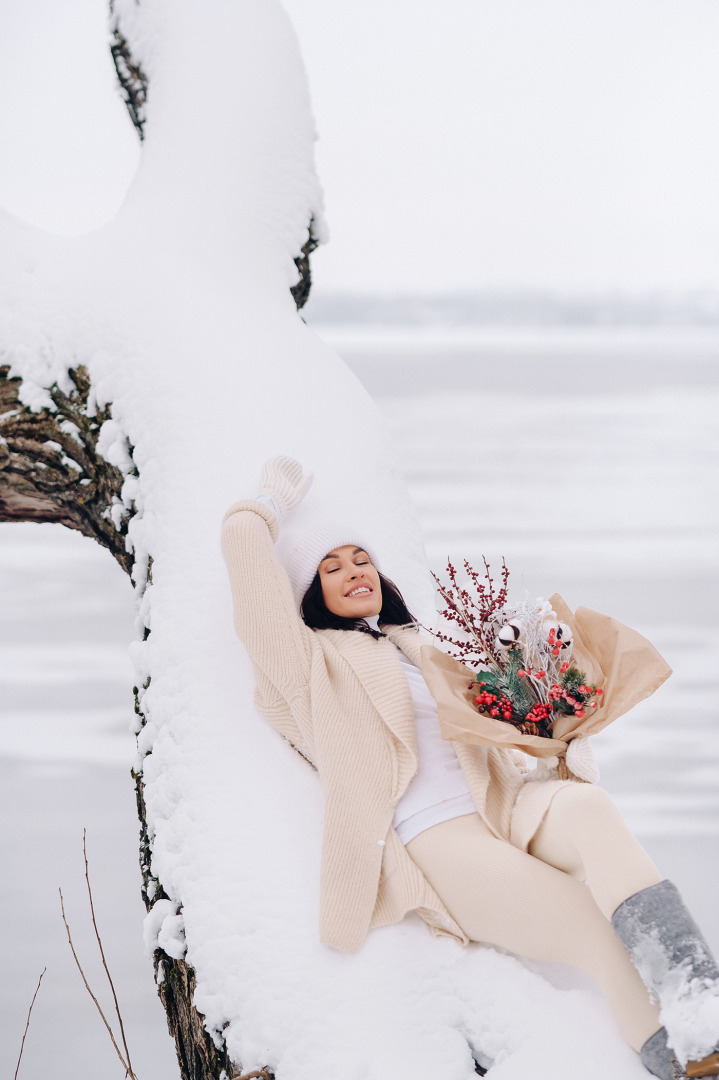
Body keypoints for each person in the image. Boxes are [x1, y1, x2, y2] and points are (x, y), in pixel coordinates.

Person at [221, 456, 719, 1080]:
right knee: (590, 929)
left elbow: (501, 742)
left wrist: (557, 735)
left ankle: (703, 998)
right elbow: (253, 593)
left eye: (361, 559)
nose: (354, 572)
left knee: (591, 806)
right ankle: (690, 1062)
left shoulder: (423, 646)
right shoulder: (309, 668)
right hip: (438, 836)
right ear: (308, 592)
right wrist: (260, 508)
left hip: (504, 803)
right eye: (331, 566)